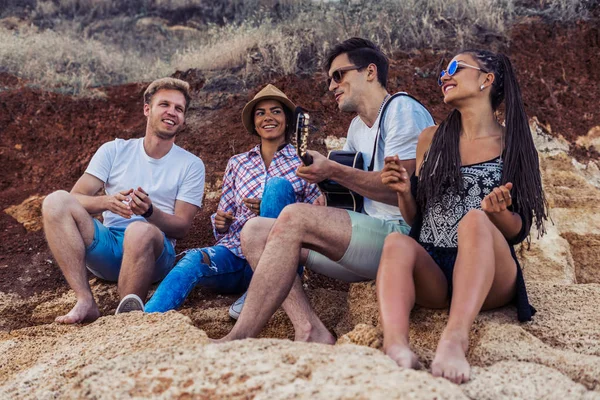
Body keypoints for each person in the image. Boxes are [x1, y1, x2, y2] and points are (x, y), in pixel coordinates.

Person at [217, 37, 434, 343]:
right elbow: (350, 190)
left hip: (401, 238)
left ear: (370, 72)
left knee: (293, 216)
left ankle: (239, 337)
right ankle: (309, 329)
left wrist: (333, 170)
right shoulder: (357, 128)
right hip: (367, 238)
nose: (332, 86)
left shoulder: (402, 109)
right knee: (254, 232)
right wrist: (324, 192)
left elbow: (404, 190)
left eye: (338, 75)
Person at [376, 50, 548, 384]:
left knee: (474, 220)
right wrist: (403, 192)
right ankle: (395, 345)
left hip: (491, 275)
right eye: (443, 70)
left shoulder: (514, 142)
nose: (445, 75)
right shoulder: (431, 139)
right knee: (396, 242)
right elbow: (417, 219)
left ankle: (455, 338)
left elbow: (518, 230)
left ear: (487, 80)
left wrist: (497, 215)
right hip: (436, 274)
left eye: (456, 67)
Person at [144, 84, 321, 314]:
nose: (268, 117)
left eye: (276, 111)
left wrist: (273, 208)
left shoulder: (304, 162)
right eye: (261, 113)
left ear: (286, 120)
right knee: (194, 260)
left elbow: (316, 218)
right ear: (254, 123)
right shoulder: (238, 163)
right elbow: (224, 219)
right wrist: (221, 222)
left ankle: (260, 291)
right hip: (236, 255)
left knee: (277, 188)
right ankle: (144, 319)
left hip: (281, 261)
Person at [42, 78, 205, 324]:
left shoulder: (191, 164)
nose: (172, 112)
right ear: (147, 109)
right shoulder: (114, 150)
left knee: (139, 230)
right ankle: (85, 301)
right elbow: (76, 198)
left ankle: (126, 318)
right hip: (108, 246)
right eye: (164, 104)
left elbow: (182, 227)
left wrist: (150, 212)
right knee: (55, 201)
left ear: (183, 118)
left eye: (179, 108)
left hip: (154, 253)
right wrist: (107, 202)